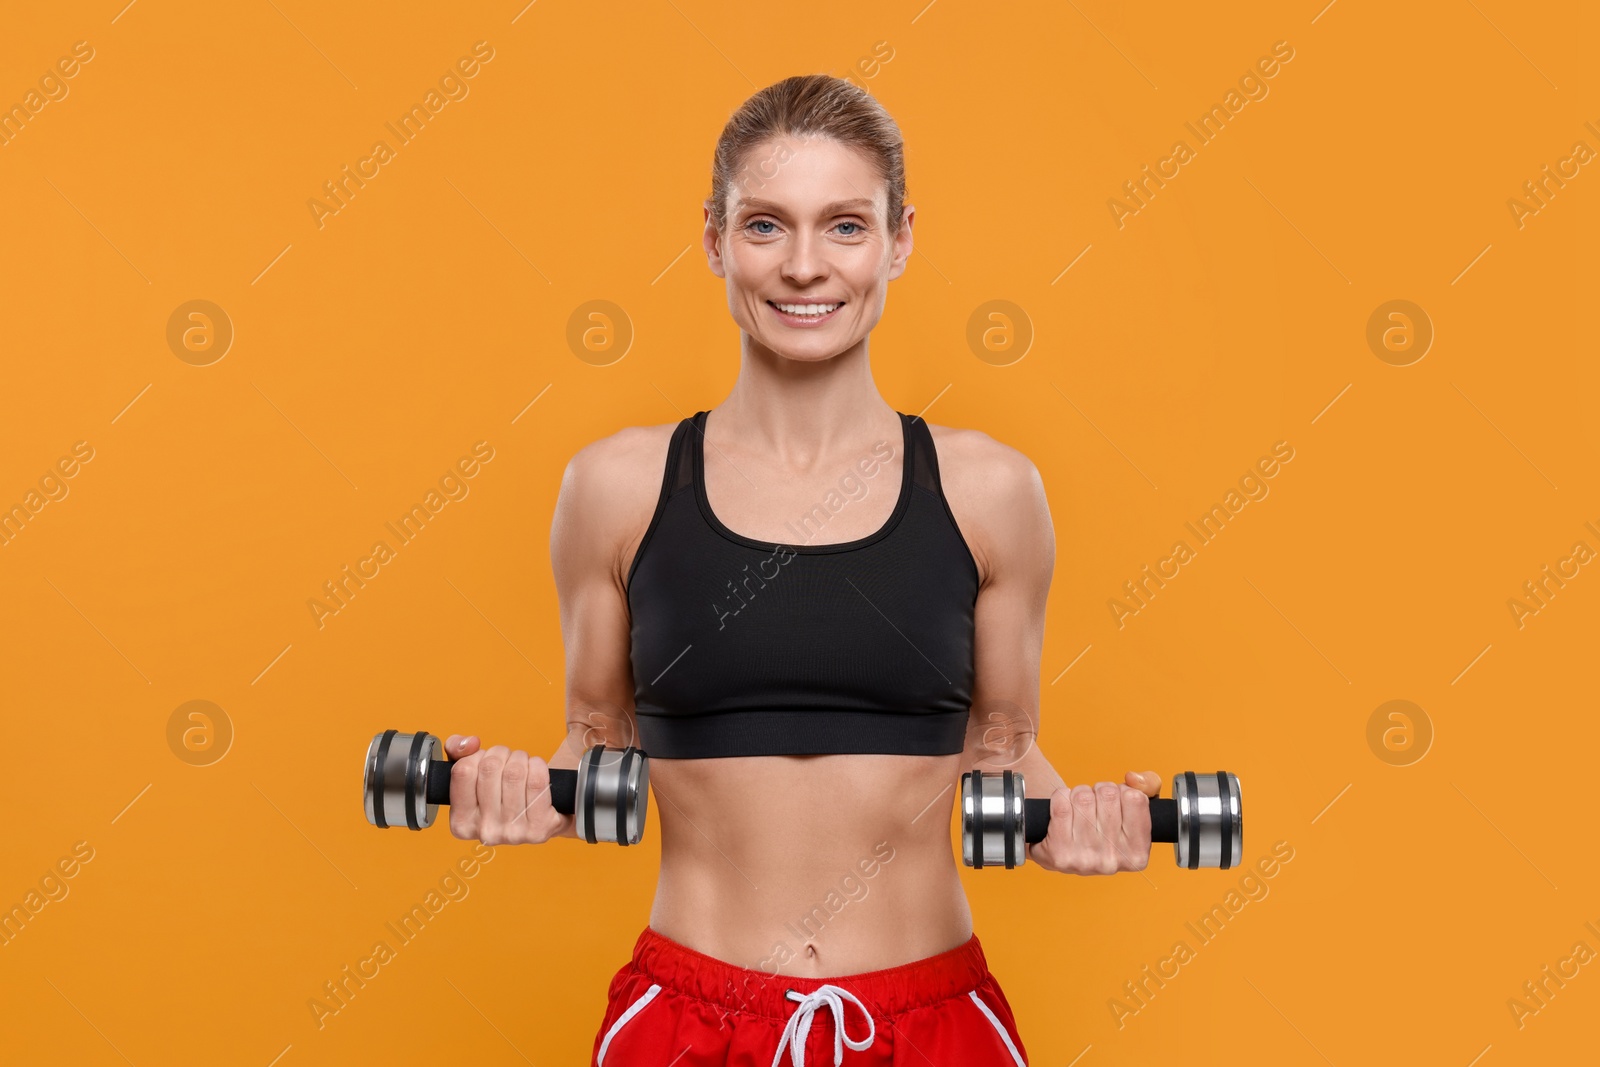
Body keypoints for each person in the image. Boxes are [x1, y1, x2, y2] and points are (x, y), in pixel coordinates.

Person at [442, 73, 1158, 1066]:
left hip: (933, 1019)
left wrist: (1088, 820)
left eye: (846, 226)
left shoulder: (991, 492)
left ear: (901, 238)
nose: (806, 267)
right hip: (688, 1019)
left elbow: (1003, 754)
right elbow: (596, 749)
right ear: (712, 237)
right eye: (767, 225)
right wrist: (511, 789)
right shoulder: (616, 488)